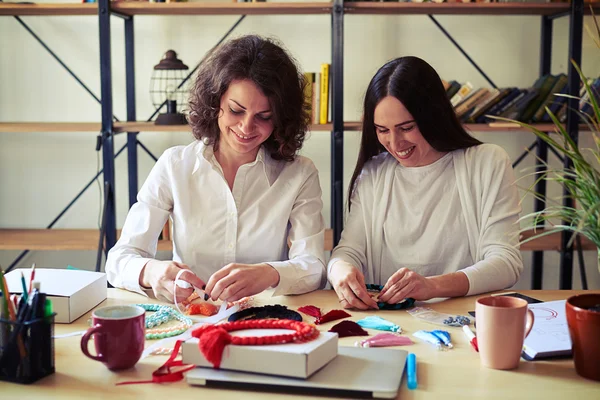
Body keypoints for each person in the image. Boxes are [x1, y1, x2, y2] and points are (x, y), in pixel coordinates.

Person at [106, 35, 326, 304]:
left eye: (264, 117)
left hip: (263, 320)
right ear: (215, 102)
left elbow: (315, 267)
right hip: (189, 318)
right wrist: (152, 272)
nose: (246, 127)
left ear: (281, 118)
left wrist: (269, 273)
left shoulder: (299, 174)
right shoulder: (175, 165)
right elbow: (119, 259)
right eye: (236, 110)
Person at [328, 56, 523, 310]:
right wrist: (340, 271)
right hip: (387, 323)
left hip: (462, 320)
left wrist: (432, 287)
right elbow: (347, 251)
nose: (395, 144)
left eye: (406, 127)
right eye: (382, 130)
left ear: (432, 116)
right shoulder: (374, 172)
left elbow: (506, 263)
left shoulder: (487, 163)